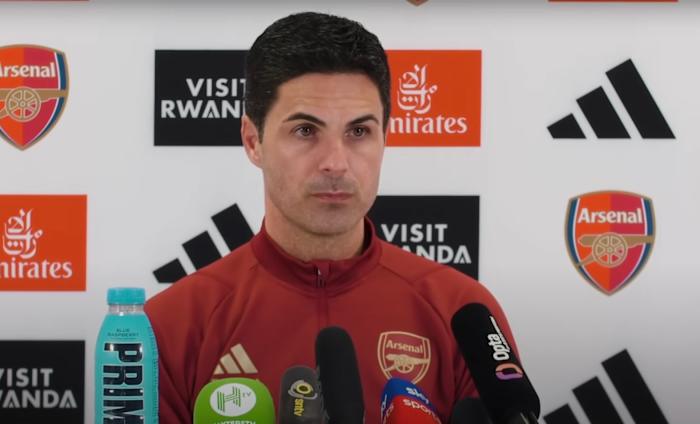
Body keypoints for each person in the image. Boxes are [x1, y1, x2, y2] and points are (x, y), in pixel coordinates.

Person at [145, 11, 519, 423]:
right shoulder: (173, 326)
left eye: (359, 132)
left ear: (385, 137)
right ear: (253, 141)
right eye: (306, 131)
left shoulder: (462, 312)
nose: (336, 163)